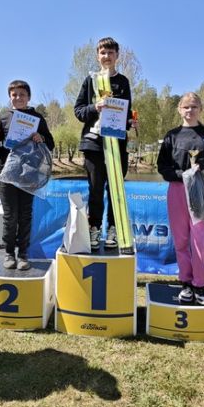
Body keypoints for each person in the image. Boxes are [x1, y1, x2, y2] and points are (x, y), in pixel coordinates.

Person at [157, 92, 204, 306]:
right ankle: (186, 282)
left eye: (194, 106)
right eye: (186, 107)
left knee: (199, 240)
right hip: (178, 189)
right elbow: (162, 167)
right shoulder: (172, 135)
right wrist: (182, 175)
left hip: (200, 189)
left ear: (200, 109)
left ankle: (199, 284)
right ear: (179, 109)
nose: (190, 110)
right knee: (181, 240)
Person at [73, 37, 135, 251]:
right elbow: (79, 111)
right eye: (102, 52)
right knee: (95, 189)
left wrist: (130, 122)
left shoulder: (123, 82)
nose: (106, 56)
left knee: (116, 189)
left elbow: (125, 113)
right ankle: (94, 228)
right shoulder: (90, 81)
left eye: (110, 52)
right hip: (93, 143)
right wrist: (95, 107)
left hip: (117, 144)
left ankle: (113, 230)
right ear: (97, 56)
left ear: (117, 56)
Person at [0, 80, 55, 270]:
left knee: (25, 215)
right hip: (7, 173)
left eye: (22, 94)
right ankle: (9, 253)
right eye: (14, 95)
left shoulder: (37, 118)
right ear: (10, 97)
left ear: (29, 97)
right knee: (10, 216)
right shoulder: (3, 116)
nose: (18, 97)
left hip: (29, 174)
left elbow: (50, 143)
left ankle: (23, 254)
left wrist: (41, 138)